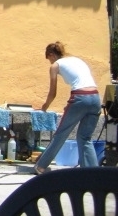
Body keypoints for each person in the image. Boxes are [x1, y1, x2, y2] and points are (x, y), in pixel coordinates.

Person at [34, 41, 101, 174]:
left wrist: (44, 107)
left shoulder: (55, 65)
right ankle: (93, 173)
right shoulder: (76, 60)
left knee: (61, 133)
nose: (50, 62)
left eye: (49, 59)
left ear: (51, 55)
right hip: (95, 98)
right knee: (85, 138)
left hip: (80, 97)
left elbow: (53, 93)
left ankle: (41, 166)